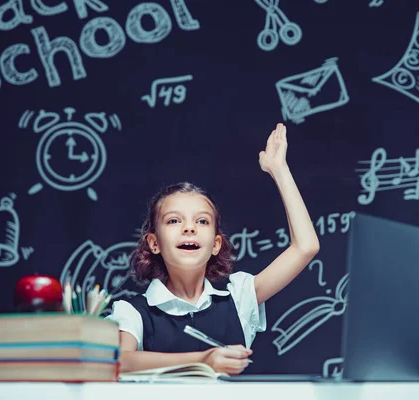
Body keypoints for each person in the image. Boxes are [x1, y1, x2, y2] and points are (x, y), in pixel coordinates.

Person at [106, 123, 320, 375]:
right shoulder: (133, 311)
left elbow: (305, 246)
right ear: (154, 243)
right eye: (174, 220)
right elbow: (119, 363)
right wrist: (203, 360)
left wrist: (279, 170)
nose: (189, 228)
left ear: (216, 244)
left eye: (202, 221)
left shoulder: (238, 297)